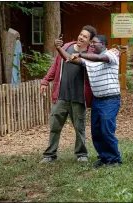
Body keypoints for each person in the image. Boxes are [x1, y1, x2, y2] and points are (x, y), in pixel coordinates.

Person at [54, 35, 122, 168]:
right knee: (96, 131)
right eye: (90, 43)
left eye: (94, 43)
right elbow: (69, 59)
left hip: (110, 100)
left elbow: (99, 58)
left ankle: (114, 159)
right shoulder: (90, 60)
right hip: (97, 100)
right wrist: (58, 48)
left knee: (106, 130)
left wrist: (79, 53)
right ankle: (104, 158)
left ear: (102, 44)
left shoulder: (110, 55)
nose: (91, 45)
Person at [39, 25, 97, 163]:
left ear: (90, 41)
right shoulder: (67, 47)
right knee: (54, 126)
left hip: (78, 98)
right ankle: (50, 155)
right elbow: (55, 66)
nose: (81, 37)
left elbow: (74, 61)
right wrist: (45, 81)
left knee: (79, 128)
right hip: (61, 96)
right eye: (81, 34)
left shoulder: (90, 55)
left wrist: (58, 48)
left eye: (85, 37)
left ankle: (81, 154)